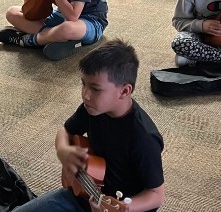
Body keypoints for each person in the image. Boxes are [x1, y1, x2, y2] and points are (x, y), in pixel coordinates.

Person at [12, 40, 165, 212]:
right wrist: (62, 150)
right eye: (83, 84)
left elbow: (156, 194)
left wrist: (125, 208)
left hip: (117, 207)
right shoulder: (92, 109)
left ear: (124, 91)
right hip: (83, 193)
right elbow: (65, 130)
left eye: (95, 88)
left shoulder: (144, 138)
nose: (85, 95)